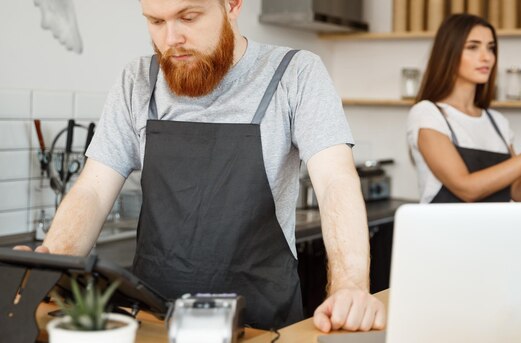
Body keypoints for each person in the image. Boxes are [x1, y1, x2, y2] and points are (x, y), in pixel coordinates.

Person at [15, 0, 385, 332]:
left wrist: (350, 286)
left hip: (259, 324)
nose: (171, 38)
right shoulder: (137, 81)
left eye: (188, 16)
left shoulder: (295, 74)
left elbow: (336, 180)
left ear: (233, 5)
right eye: (155, 21)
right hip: (155, 322)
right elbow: (93, 190)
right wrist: (52, 262)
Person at [406, 13, 521, 204]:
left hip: (493, 233)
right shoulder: (427, 114)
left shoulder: (496, 121)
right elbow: (466, 189)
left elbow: (520, 192)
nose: (486, 57)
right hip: (444, 233)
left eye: (491, 48)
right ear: (448, 53)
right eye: (473, 47)